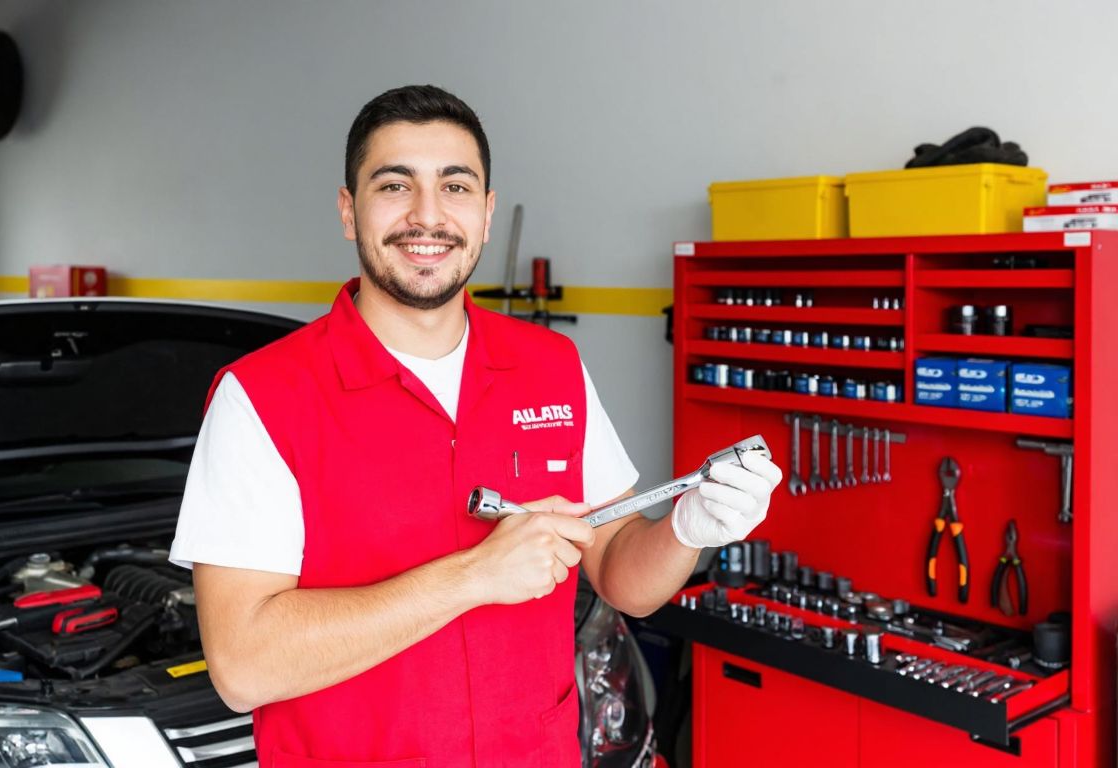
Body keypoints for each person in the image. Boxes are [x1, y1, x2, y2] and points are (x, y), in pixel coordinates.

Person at [170, 84, 782, 766]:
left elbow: (619, 574)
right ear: (349, 210)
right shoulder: (262, 397)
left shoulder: (552, 366)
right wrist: (473, 576)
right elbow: (243, 667)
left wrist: (687, 530)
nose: (427, 216)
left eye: (455, 187)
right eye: (395, 184)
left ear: (487, 214)